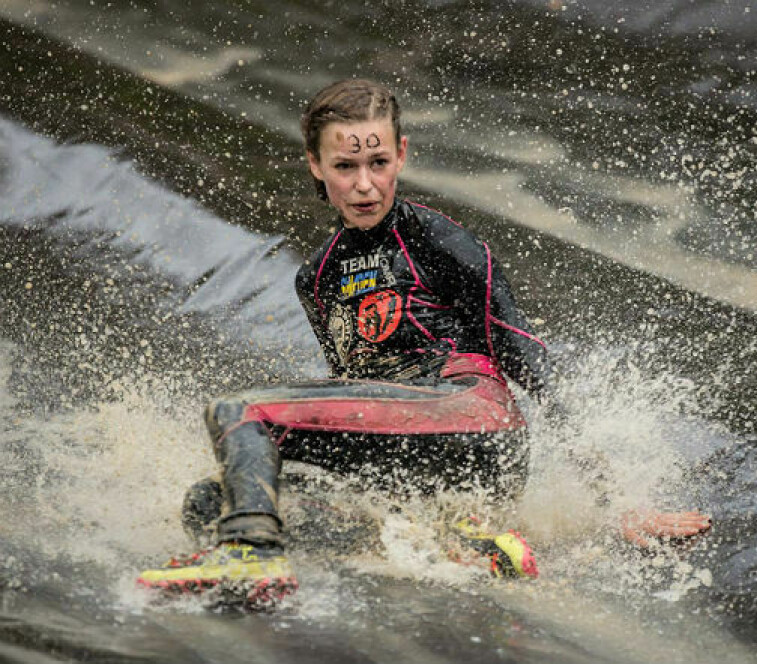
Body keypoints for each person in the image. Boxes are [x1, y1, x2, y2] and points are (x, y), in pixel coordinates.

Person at [137, 79, 711, 604]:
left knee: (239, 412)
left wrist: (616, 502)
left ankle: (252, 560)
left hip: (472, 422)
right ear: (315, 165)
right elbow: (355, 399)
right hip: (408, 450)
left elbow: (529, 360)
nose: (364, 184)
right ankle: (465, 547)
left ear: (401, 156)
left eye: (378, 162)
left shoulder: (441, 240)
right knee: (212, 502)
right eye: (345, 165)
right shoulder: (315, 278)